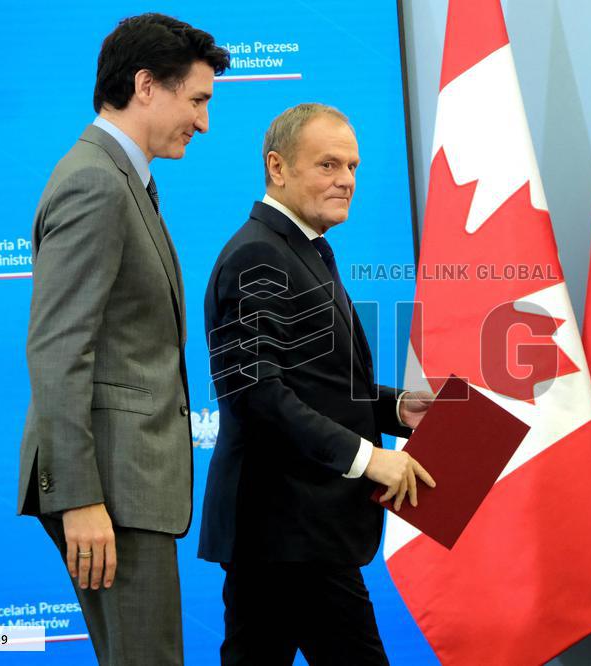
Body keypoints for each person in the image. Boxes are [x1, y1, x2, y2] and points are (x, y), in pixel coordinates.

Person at [17, 13, 229, 665]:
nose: (204, 122)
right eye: (196, 100)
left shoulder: (126, 180)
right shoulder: (95, 182)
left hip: (127, 484)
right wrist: (79, 498)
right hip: (109, 486)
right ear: (146, 86)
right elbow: (57, 350)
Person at [199, 103, 436, 665]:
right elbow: (258, 396)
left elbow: (314, 385)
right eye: (329, 165)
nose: (347, 180)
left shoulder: (303, 247)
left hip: (295, 530)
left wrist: (400, 410)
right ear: (277, 168)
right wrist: (369, 458)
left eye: (353, 166)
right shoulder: (260, 253)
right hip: (287, 528)